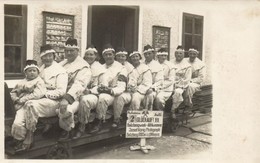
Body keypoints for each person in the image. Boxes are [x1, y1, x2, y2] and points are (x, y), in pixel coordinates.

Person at [11, 48, 68, 151]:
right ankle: (18, 138)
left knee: (30, 104)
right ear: (41, 58)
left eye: (50, 55)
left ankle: (29, 136)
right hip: (34, 100)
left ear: (54, 56)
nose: (47, 58)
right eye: (44, 56)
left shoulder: (60, 71)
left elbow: (61, 92)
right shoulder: (39, 69)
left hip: (53, 102)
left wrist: (42, 94)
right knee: (19, 119)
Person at [58, 38, 92, 140]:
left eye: (72, 51)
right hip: (59, 93)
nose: (69, 53)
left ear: (77, 51)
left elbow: (79, 85)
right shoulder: (62, 64)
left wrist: (67, 98)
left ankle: (68, 130)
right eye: (66, 50)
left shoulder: (84, 66)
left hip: (75, 96)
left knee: (66, 110)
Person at [90, 44, 127, 133]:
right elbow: (95, 83)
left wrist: (110, 91)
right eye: (106, 55)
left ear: (114, 55)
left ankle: (101, 121)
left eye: (110, 54)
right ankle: (95, 121)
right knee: (98, 97)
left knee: (103, 98)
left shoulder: (121, 68)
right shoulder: (100, 67)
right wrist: (97, 89)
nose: (108, 56)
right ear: (103, 56)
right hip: (103, 91)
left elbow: (122, 86)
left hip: (115, 91)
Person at [111, 51, 153, 129]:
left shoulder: (138, 68)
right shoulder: (120, 66)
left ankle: (132, 122)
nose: (135, 58)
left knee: (133, 99)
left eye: (136, 56)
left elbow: (142, 83)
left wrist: (132, 87)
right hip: (122, 89)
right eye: (133, 57)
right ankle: (116, 118)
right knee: (119, 97)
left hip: (134, 91)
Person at [73, 45, 106, 138]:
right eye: (87, 54)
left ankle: (82, 126)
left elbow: (103, 85)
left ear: (96, 56)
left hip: (95, 94)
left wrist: (91, 91)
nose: (89, 57)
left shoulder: (100, 68)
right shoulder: (82, 67)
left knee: (85, 100)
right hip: (80, 91)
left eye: (91, 54)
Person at [171, 45, 192, 119]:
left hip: (181, 86)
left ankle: (173, 110)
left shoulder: (187, 66)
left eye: (180, 53)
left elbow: (187, 79)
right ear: (174, 54)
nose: (178, 55)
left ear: (183, 54)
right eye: (177, 53)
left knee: (177, 92)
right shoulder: (171, 63)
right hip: (170, 84)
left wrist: (178, 84)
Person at [143, 44, 164, 110]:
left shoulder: (157, 65)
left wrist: (151, 88)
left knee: (150, 95)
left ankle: (149, 114)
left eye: (149, 53)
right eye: (145, 54)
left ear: (153, 54)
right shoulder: (141, 64)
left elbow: (159, 81)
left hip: (154, 88)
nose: (147, 55)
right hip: (142, 87)